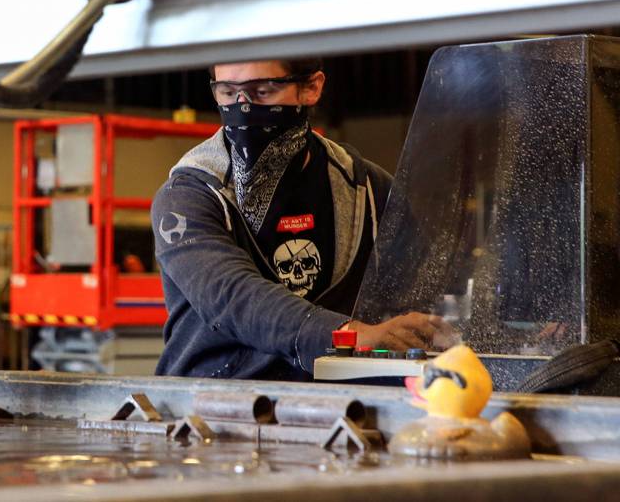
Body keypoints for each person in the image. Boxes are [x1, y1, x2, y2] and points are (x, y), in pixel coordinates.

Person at [152, 58, 449, 380]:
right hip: (215, 402)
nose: (243, 107)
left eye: (262, 91)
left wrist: (430, 327)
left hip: (341, 399)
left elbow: (421, 283)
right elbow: (229, 294)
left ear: (311, 87)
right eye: (227, 92)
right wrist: (348, 334)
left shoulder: (366, 189)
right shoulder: (189, 194)